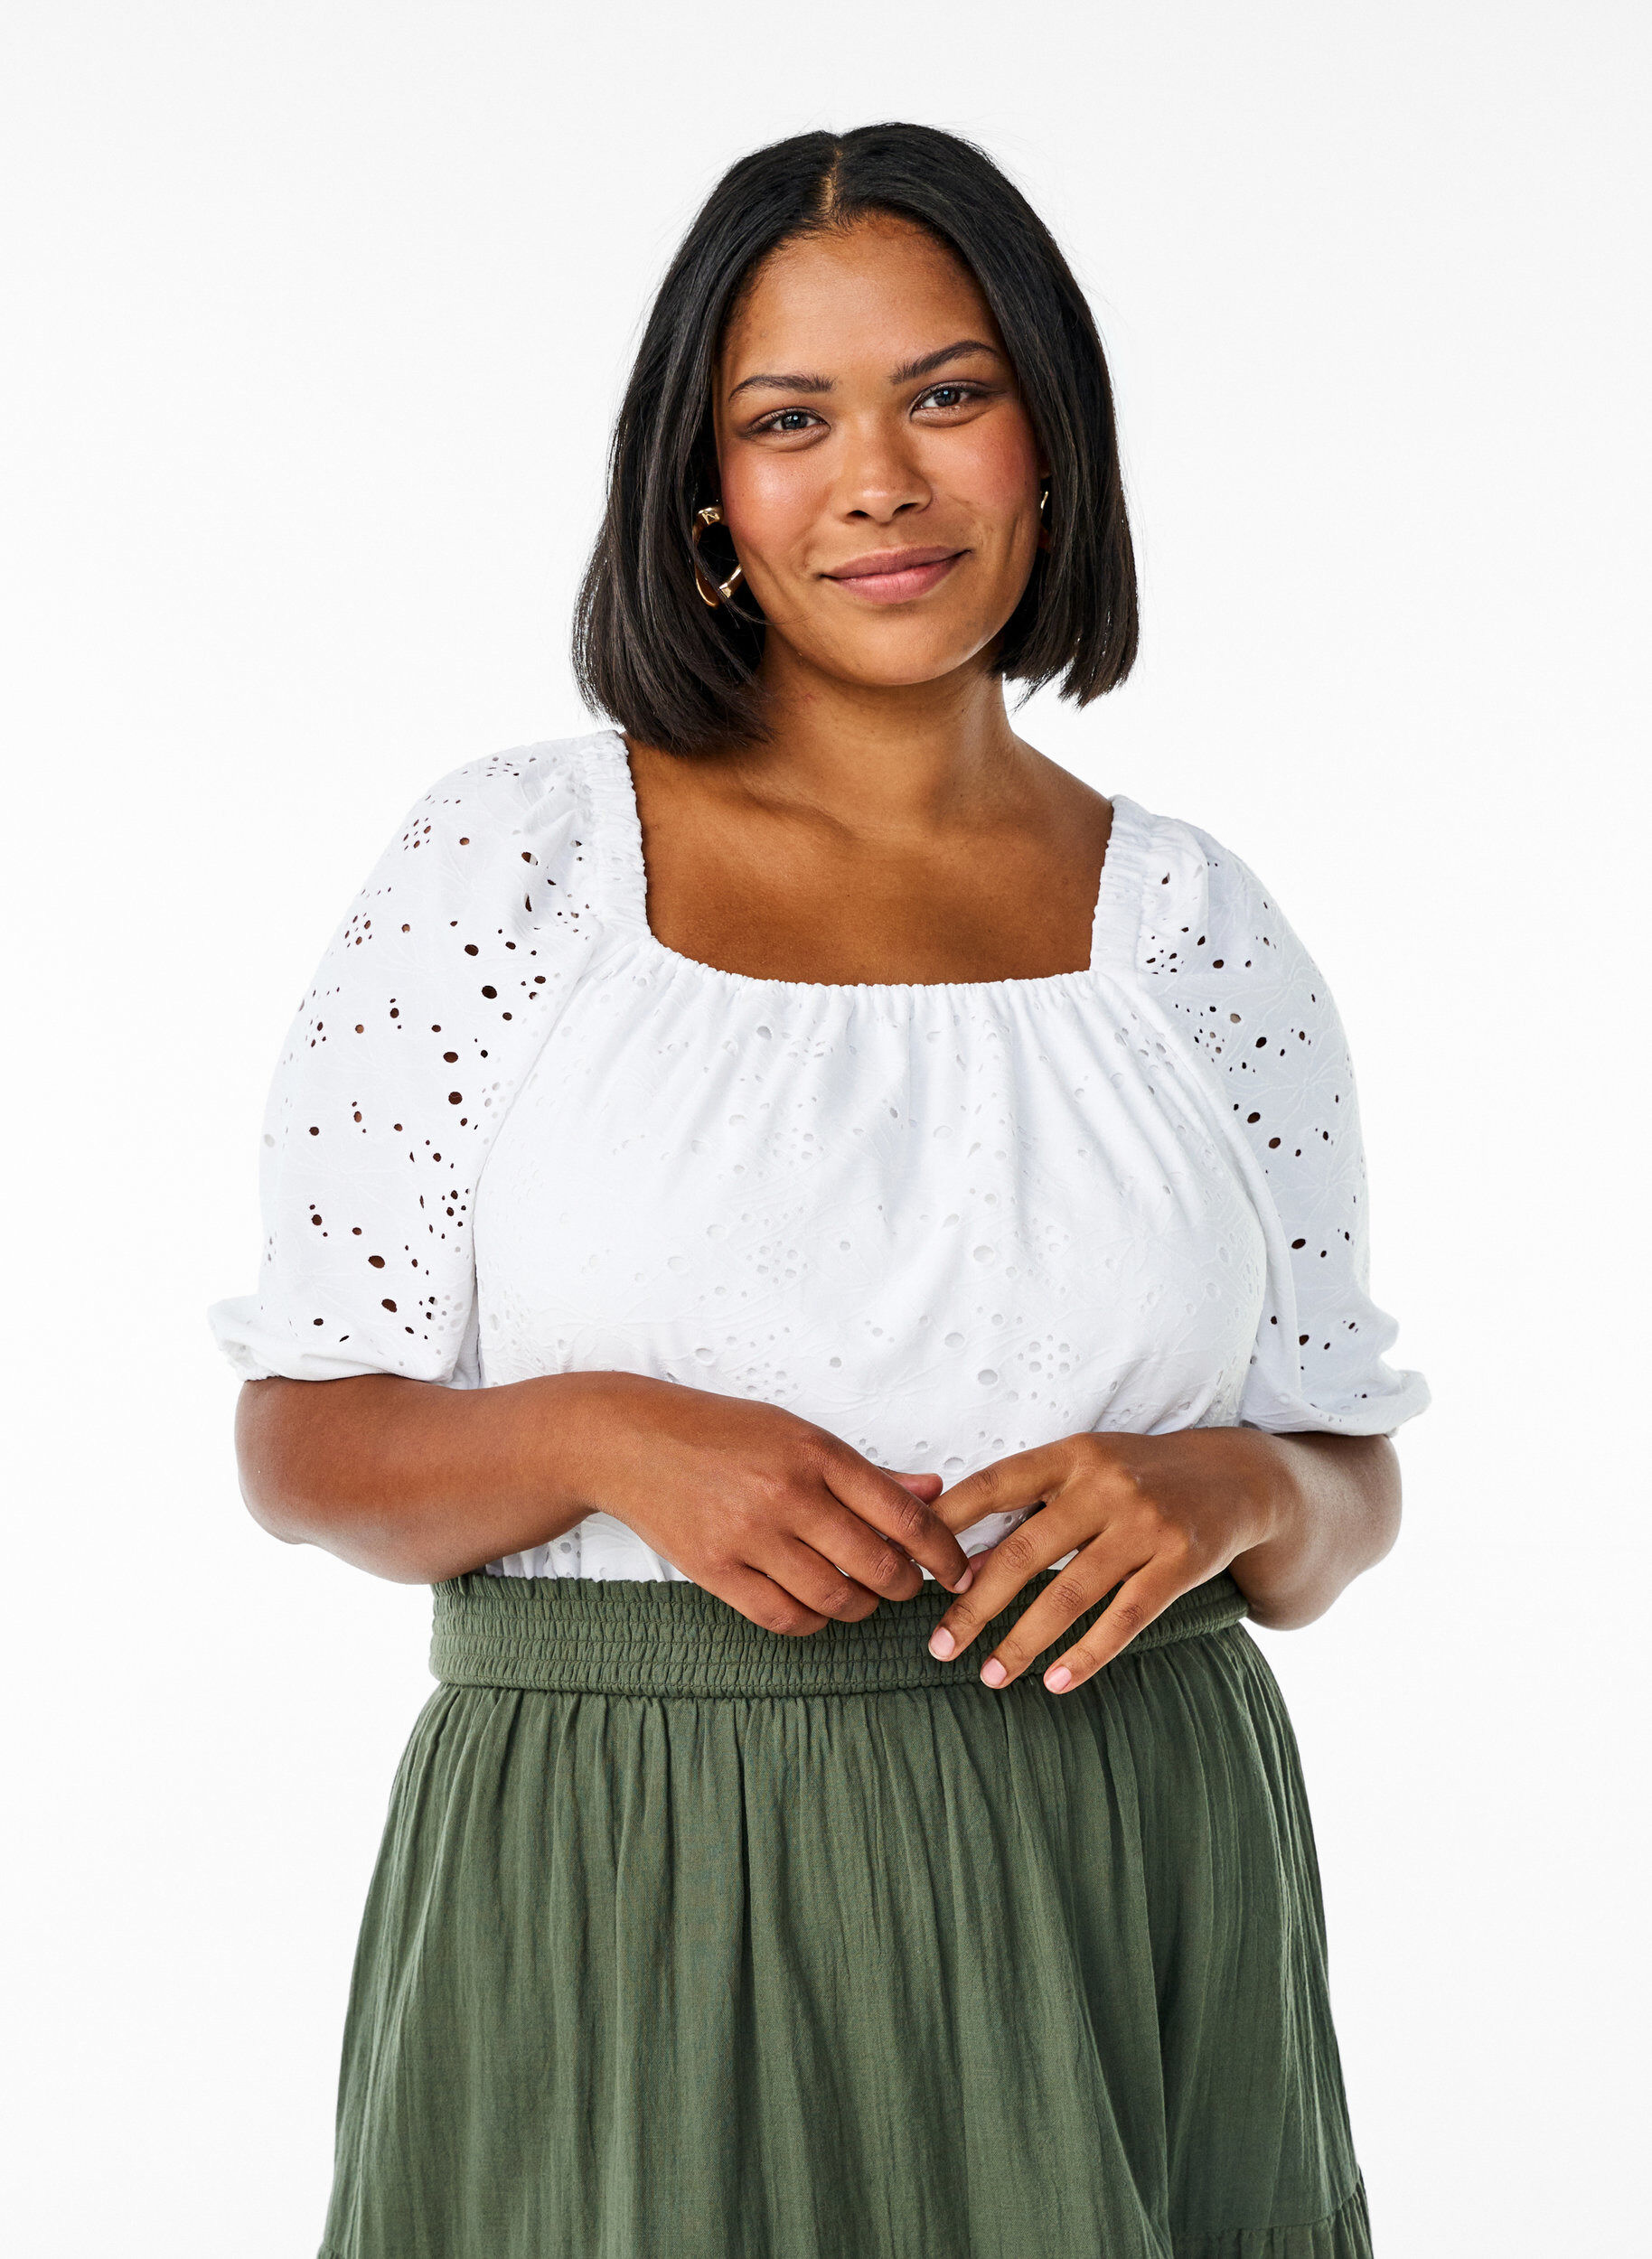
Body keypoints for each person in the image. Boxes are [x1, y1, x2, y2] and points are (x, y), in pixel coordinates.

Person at [212, 121, 1427, 2259]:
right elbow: (304, 1440)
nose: (877, 478)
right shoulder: (514, 868)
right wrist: (592, 1433)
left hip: (1124, 1859)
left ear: (1049, 440)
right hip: (628, 1860)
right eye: (789, 419)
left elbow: (1339, 1488)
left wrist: (1235, 1487)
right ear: (704, 490)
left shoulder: (1190, 930)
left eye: (944, 393)